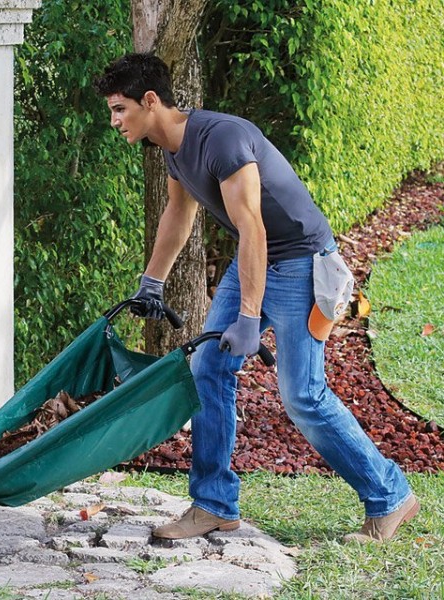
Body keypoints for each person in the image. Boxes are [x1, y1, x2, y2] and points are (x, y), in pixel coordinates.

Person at [94, 53, 419, 543]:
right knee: (207, 369)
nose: (115, 121)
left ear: (151, 101)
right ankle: (213, 505)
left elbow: (253, 226)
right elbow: (178, 216)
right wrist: (152, 280)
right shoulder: (172, 148)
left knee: (302, 395)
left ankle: (391, 497)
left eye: (120, 109)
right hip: (259, 260)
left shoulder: (221, 137)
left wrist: (249, 315)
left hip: (302, 262)